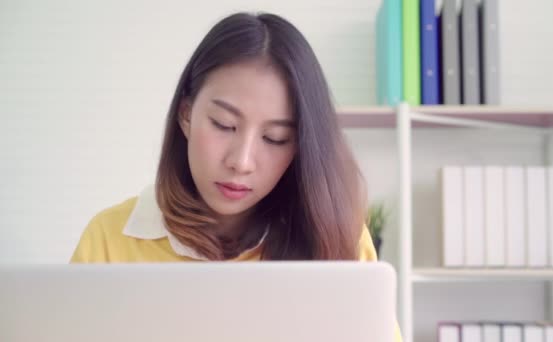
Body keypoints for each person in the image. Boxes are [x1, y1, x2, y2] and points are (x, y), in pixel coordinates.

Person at [70, 11, 401, 341]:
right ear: (186, 114)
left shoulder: (336, 238)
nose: (241, 162)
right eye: (224, 125)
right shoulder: (110, 240)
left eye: (274, 139)